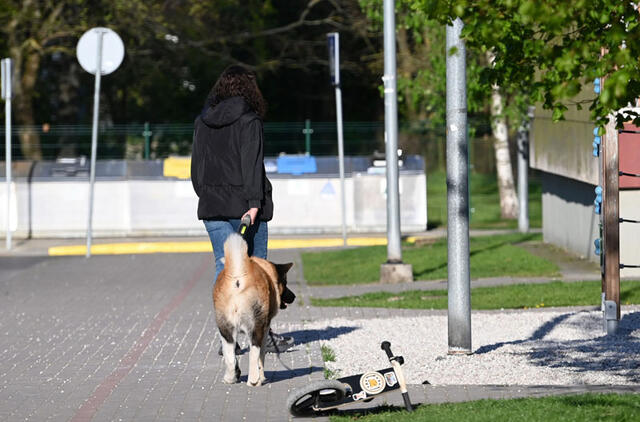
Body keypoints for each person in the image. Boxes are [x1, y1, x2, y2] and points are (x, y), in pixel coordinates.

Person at [191, 65, 293, 353]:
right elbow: (251, 166)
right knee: (256, 272)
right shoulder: (250, 120)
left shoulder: (203, 121)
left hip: (212, 208)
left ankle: (228, 340)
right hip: (245, 209)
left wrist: (207, 196)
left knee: (224, 268)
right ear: (249, 89)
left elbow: (196, 169)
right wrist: (253, 205)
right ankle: (260, 338)